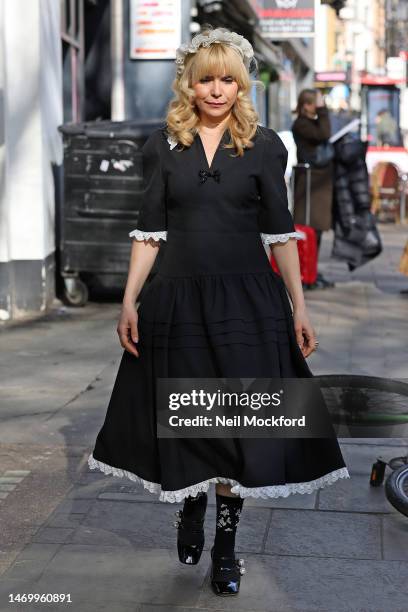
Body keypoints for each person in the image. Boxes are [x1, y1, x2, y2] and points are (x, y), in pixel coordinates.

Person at [88, 27, 350, 597]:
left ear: (241, 83)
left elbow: (281, 235)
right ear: (189, 81)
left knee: (239, 429)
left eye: (227, 79)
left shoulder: (266, 146)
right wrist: (130, 299)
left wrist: (298, 306)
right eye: (206, 78)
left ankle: (227, 550)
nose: (216, 89)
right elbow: (149, 233)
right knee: (187, 418)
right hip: (177, 301)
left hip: (249, 303)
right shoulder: (162, 145)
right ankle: (188, 507)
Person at [292, 89, 335, 289]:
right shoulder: (301, 124)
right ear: (307, 105)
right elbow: (324, 134)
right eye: (316, 103)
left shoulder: (311, 122)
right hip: (310, 184)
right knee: (309, 229)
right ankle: (306, 275)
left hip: (319, 182)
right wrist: (324, 111)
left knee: (316, 232)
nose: (318, 106)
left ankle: (312, 273)